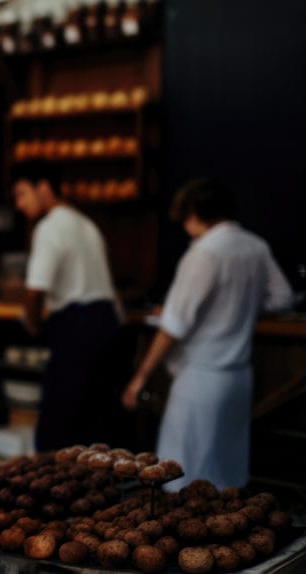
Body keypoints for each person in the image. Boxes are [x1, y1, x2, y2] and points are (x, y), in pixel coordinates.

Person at [123, 178, 292, 491]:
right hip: (239, 378)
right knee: (226, 479)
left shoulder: (204, 253)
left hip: (200, 380)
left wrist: (140, 377)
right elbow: (282, 297)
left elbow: (173, 326)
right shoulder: (255, 246)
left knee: (181, 479)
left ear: (195, 213)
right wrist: (243, 304)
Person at [13, 172, 125, 452]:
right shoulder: (86, 224)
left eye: (22, 194)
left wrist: (33, 323)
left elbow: (36, 289)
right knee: (98, 424)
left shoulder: (50, 227)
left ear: (44, 186)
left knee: (59, 427)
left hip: (77, 326)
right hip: (108, 324)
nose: (19, 204)